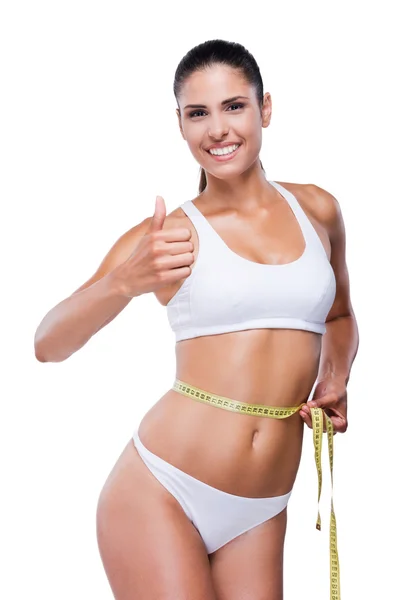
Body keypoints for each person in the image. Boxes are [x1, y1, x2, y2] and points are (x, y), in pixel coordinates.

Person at [34, 39, 359, 600]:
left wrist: (336, 376)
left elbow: (340, 315)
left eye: (234, 106)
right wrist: (124, 282)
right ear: (180, 125)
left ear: (266, 109)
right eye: (197, 113)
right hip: (164, 490)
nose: (217, 130)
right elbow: (48, 343)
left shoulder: (318, 210)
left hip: (262, 505)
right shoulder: (167, 238)